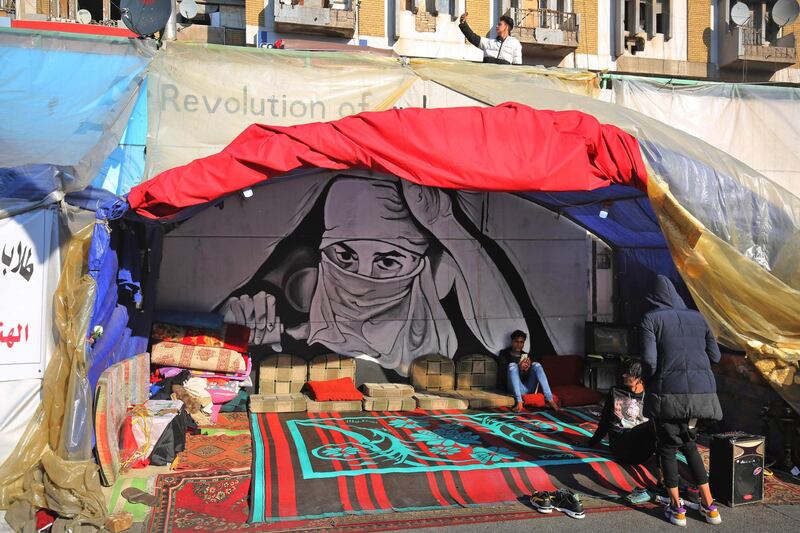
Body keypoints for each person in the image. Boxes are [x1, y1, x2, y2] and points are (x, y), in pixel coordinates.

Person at [640, 275, 723, 526]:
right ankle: (710, 507)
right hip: (702, 396)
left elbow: (650, 361)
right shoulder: (700, 318)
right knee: (689, 445)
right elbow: (716, 356)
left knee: (666, 447)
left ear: (654, 298)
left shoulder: (651, 318)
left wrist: (647, 380)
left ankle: (677, 509)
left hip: (668, 394)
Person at [587, 360, 656, 466]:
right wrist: (591, 443)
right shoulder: (616, 392)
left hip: (642, 449)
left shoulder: (651, 395)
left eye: (628, 373)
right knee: (651, 427)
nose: (623, 375)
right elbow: (605, 421)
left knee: (657, 425)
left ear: (640, 378)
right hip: (621, 446)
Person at [497, 330, 558, 412]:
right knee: (512, 366)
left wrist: (526, 369)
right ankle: (519, 402)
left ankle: (550, 399)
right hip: (513, 389)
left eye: (521, 342)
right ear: (512, 341)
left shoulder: (525, 355)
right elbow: (503, 375)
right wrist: (519, 368)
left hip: (528, 388)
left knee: (537, 365)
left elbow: (528, 377)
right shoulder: (504, 354)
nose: (519, 344)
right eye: (516, 341)